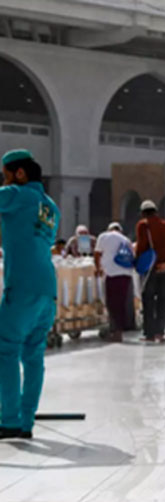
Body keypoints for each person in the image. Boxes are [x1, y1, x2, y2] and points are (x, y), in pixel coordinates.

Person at [0, 149, 60, 439]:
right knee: (33, 355)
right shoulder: (50, 207)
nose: (4, 181)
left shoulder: (17, 195)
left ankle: (9, 420)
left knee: (6, 349)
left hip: (22, 286)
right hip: (47, 289)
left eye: (5, 175)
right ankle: (25, 423)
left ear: (19, 173)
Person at [135, 199, 165, 342]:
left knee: (148, 300)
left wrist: (137, 264)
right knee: (164, 300)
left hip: (150, 270)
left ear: (143, 213)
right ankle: (160, 333)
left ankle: (149, 334)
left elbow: (140, 248)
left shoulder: (143, 226)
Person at [94, 222, 134, 342]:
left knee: (112, 303)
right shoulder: (126, 239)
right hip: (126, 274)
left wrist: (98, 268)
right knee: (121, 303)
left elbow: (97, 254)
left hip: (111, 274)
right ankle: (119, 330)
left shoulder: (103, 236)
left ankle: (116, 331)